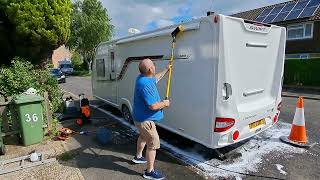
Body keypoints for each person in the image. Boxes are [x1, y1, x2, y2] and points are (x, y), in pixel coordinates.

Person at [132, 58, 171, 180]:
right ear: (150, 69)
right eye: (153, 65)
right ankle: (149, 172)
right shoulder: (145, 85)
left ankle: (138, 157)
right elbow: (153, 106)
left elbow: (156, 78)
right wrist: (165, 103)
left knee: (143, 137)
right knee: (153, 144)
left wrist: (166, 69)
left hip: (140, 119)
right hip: (145, 121)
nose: (155, 66)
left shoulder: (142, 78)